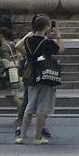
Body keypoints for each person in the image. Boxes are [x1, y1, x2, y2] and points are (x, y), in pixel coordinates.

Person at [18, 15, 61, 145]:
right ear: (47, 27)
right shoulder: (47, 42)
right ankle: (37, 136)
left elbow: (18, 46)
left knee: (30, 106)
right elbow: (61, 49)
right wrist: (58, 33)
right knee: (42, 108)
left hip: (31, 75)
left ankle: (22, 136)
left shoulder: (29, 40)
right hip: (45, 75)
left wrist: (29, 56)